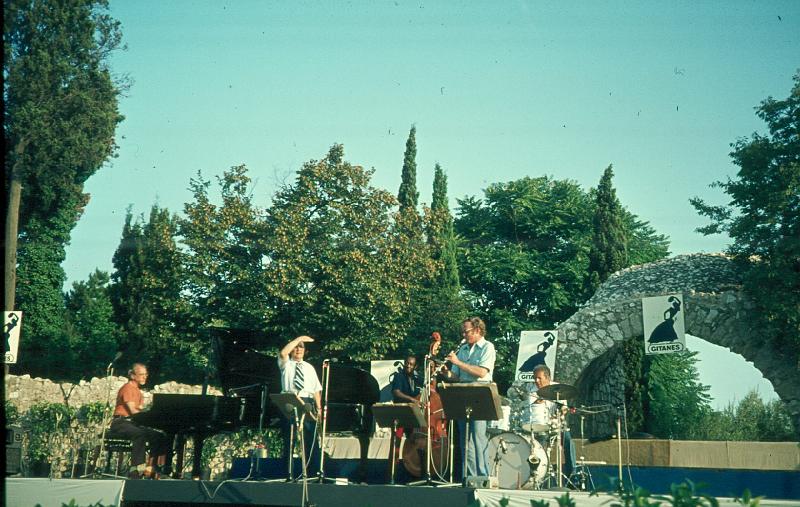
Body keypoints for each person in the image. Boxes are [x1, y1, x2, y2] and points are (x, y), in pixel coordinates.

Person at [441, 317, 496, 479]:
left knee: (479, 438)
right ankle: (470, 477)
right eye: (463, 332)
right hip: (463, 394)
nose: (463, 335)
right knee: (465, 440)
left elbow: (481, 372)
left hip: (480, 393)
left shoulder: (487, 347)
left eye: (466, 332)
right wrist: (446, 372)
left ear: (477, 330)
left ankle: (483, 476)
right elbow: (456, 377)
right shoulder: (463, 349)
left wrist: (458, 362)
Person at [108, 363, 171, 479]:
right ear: (132, 375)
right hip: (121, 422)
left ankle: (152, 467)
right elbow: (133, 411)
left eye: (146, 374)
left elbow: (139, 413)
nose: (145, 377)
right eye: (141, 374)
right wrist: (150, 416)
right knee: (140, 434)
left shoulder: (138, 391)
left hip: (132, 423)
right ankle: (135, 469)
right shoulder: (127, 388)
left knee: (159, 436)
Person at [278, 335, 322, 478]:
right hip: (289, 400)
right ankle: (288, 473)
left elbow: (316, 390)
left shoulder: (309, 367)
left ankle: (312, 473)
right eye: (296, 347)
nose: (298, 349)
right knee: (289, 438)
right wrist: (299, 339)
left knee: (310, 438)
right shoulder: (286, 364)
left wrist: (319, 408)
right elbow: (283, 353)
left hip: (306, 401)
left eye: (301, 347)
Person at [530, 364, 577, 483]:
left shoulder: (559, 389)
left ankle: (572, 475)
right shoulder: (532, 391)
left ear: (548, 378)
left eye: (539, 378)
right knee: (539, 446)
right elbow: (531, 411)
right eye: (535, 378)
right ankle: (539, 476)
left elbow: (564, 408)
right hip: (541, 426)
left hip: (556, 424)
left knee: (568, 440)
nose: (536, 381)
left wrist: (560, 413)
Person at [388, 354, 422, 468]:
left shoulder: (417, 379)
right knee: (396, 441)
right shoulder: (399, 376)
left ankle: (410, 466)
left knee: (413, 440)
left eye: (411, 364)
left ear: (415, 366)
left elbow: (427, 387)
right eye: (407, 363)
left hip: (412, 413)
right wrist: (412, 399)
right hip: (400, 413)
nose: (408, 366)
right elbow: (396, 392)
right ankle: (392, 467)